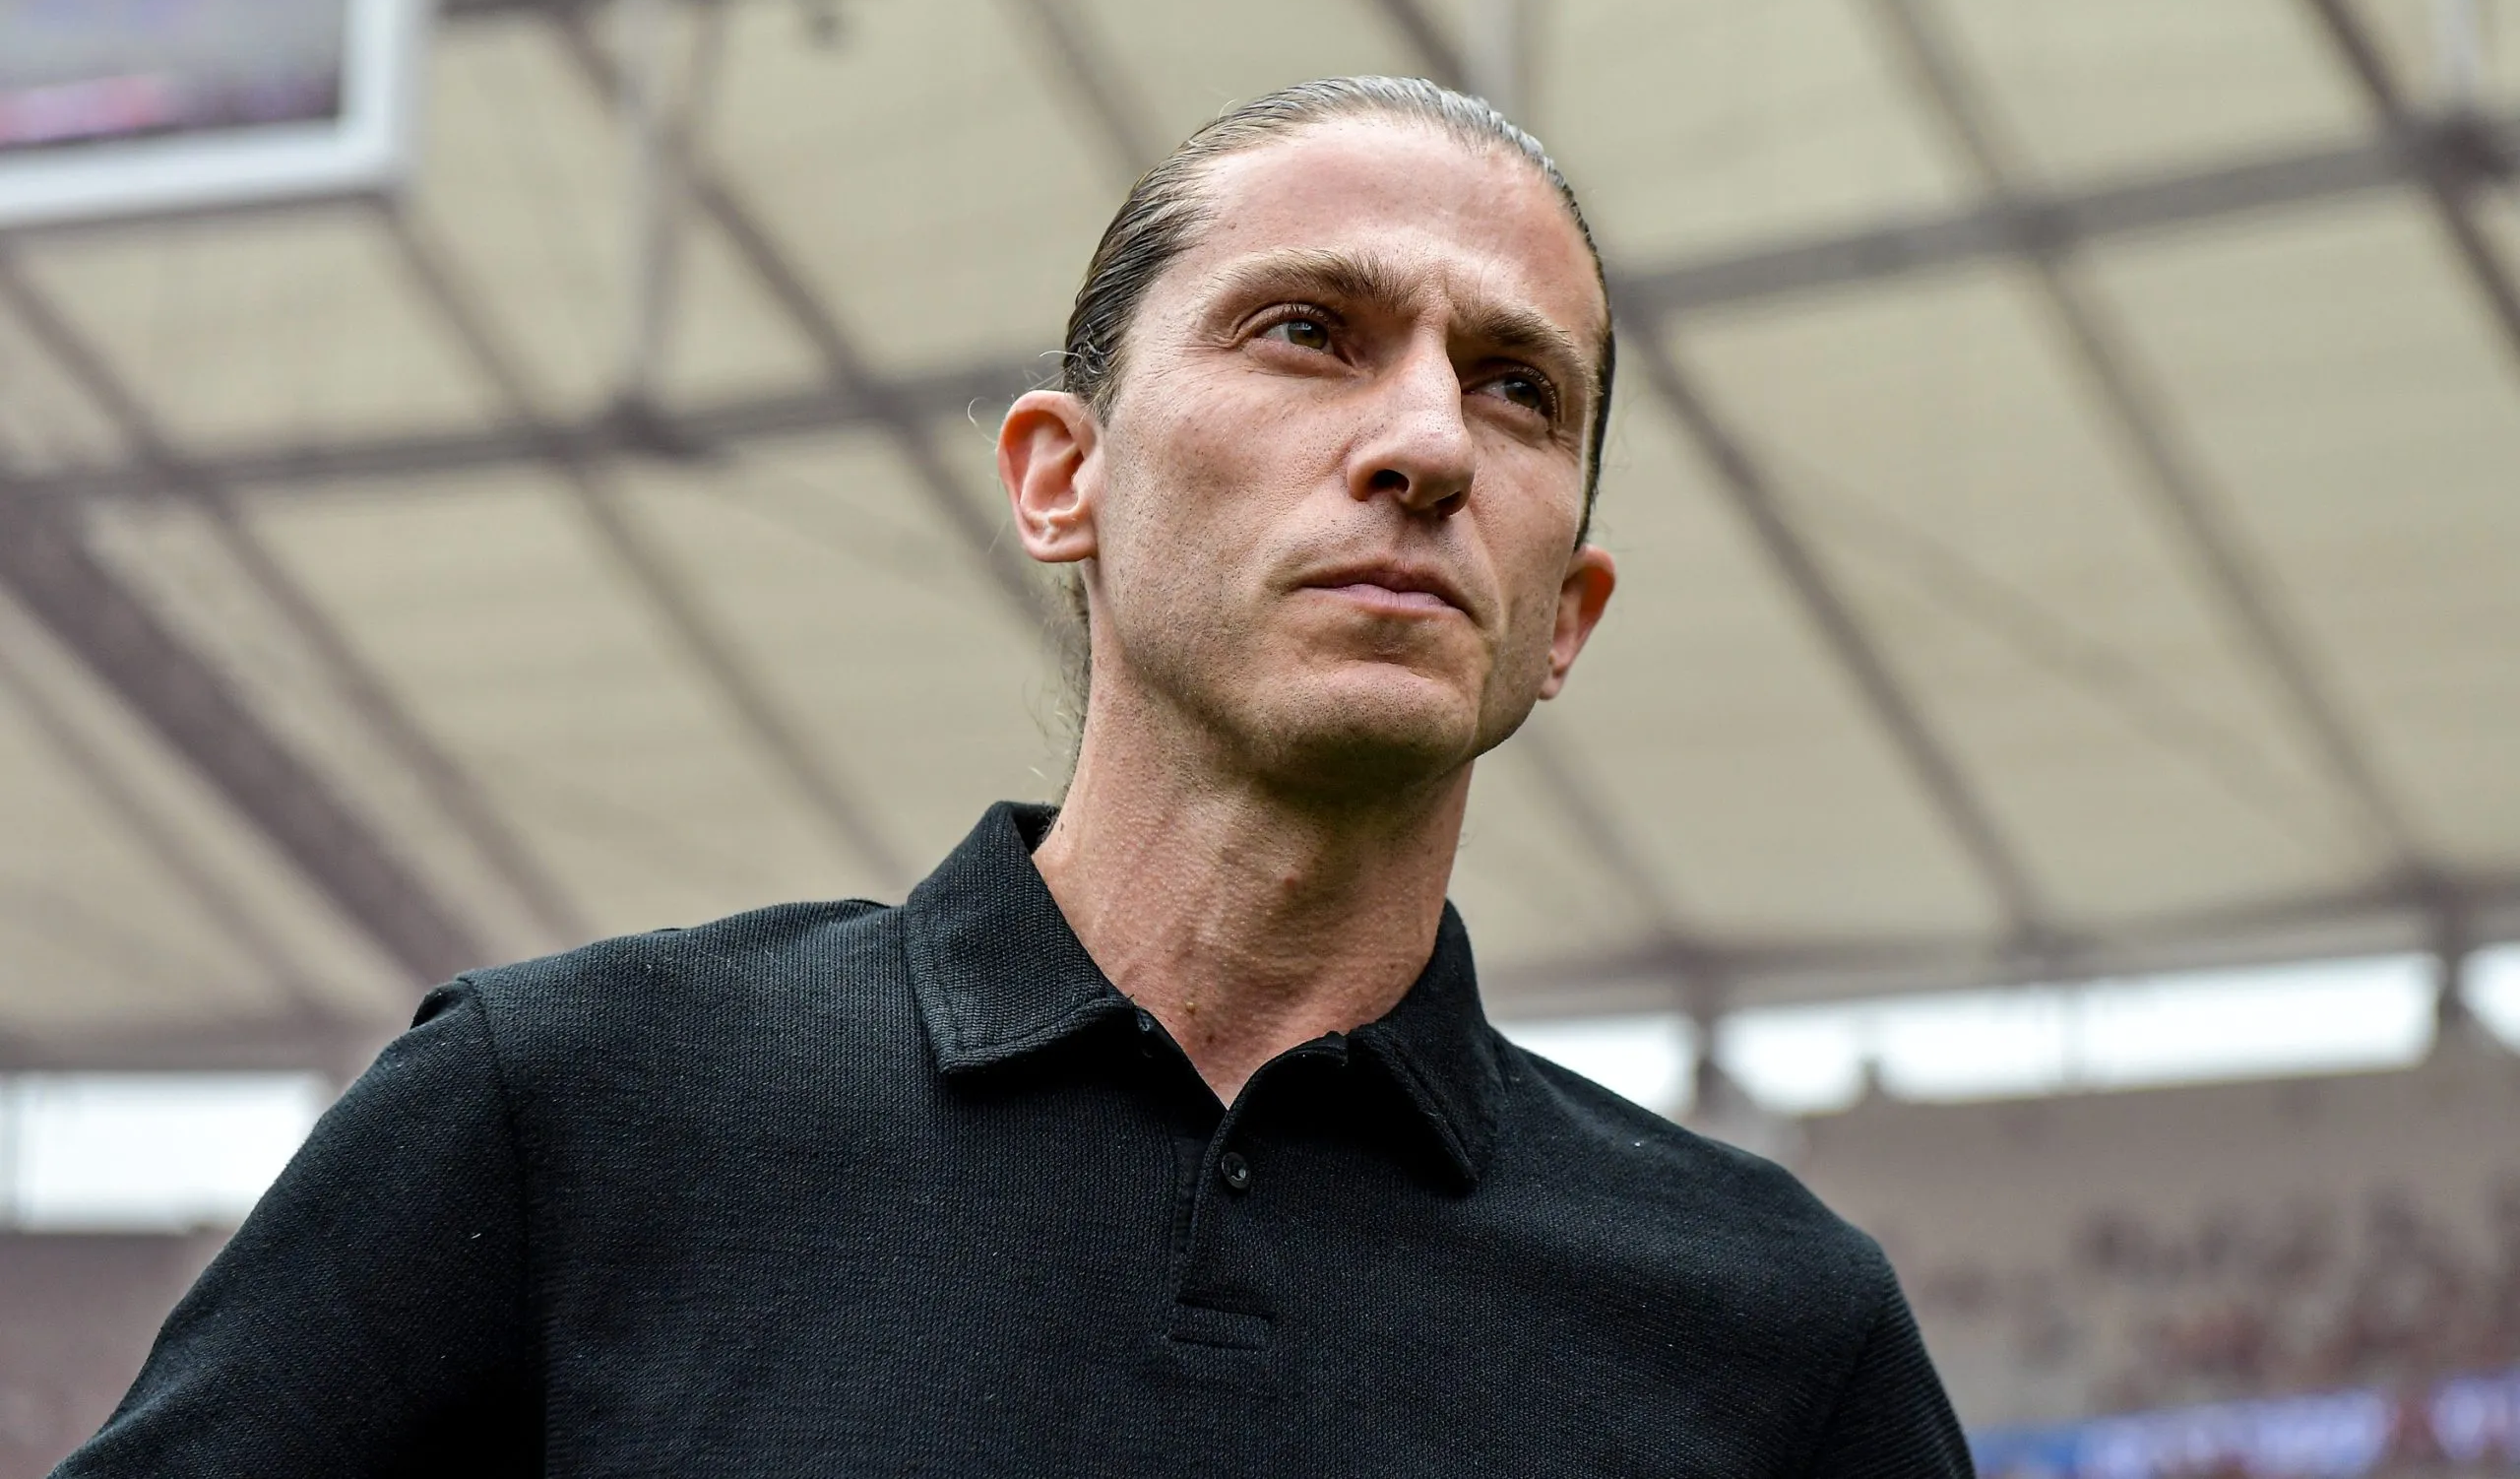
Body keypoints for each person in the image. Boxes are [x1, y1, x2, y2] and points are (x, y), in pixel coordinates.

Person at [54, 77, 1972, 1476]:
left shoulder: (1775, 1333)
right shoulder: (562, 1112)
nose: (1422, 443)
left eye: (1513, 387)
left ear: (1565, 612)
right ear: (1061, 475)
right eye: (1309, 333)